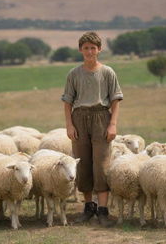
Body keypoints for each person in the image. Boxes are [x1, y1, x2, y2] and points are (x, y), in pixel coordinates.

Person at [61, 31, 123, 227]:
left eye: (93, 48)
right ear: (80, 50)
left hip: (101, 118)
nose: (89, 51)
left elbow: (115, 100)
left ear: (99, 50)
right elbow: (67, 102)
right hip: (79, 119)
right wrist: (69, 124)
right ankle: (88, 207)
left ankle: (103, 210)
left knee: (102, 163)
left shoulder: (107, 72)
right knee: (83, 164)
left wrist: (112, 124)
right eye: (86, 48)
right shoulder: (74, 74)